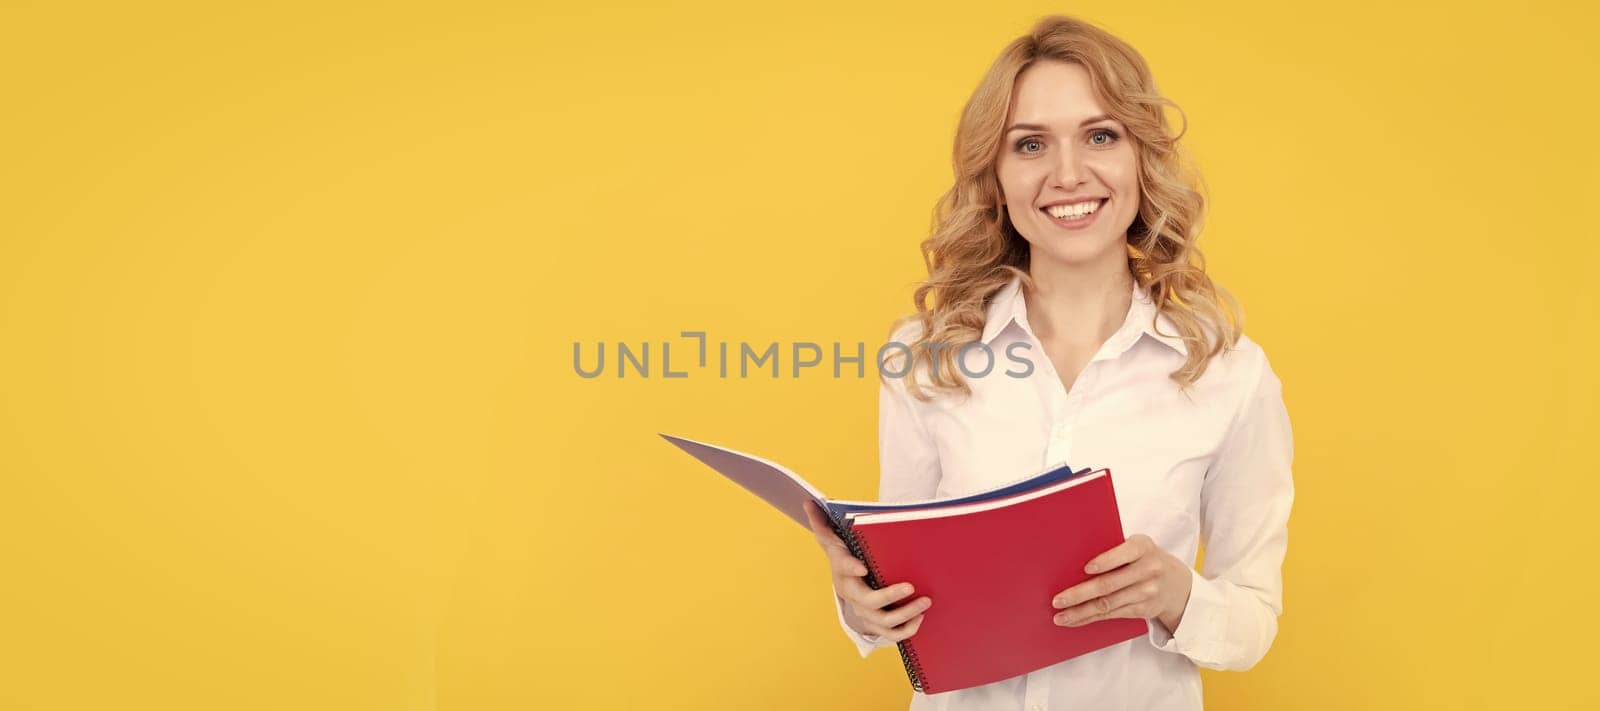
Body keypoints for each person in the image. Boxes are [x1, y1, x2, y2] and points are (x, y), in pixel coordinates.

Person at [801, 14, 1295, 710]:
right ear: (996, 176)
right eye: (1030, 144)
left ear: (1141, 158)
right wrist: (861, 605)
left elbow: (1252, 620)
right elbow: (896, 588)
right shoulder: (925, 355)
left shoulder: (1229, 374)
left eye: (1101, 135)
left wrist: (1175, 593)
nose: (1069, 174)